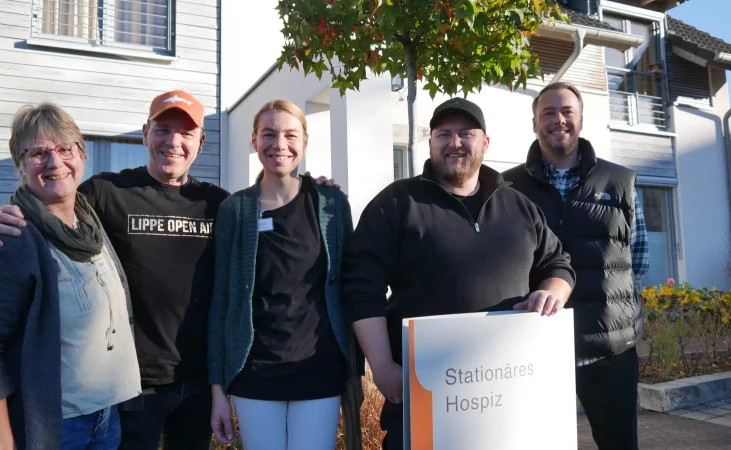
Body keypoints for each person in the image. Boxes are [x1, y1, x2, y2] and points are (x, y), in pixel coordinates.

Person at [0, 91, 341, 449]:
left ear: (201, 141)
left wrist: (315, 187)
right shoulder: (106, 192)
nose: (174, 142)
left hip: (197, 381)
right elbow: (53, 201)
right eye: (163, 130)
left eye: (186, 133)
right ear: (145, 133)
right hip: (132, 387)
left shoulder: (219, 205)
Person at [342, 97, 576, 450]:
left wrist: (552, 292)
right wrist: (383, 366)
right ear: (431, 142)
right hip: (425, 400)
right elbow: (361, 286)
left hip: (509, 400)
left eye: (465, 133)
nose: (454, 143)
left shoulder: (519, 206)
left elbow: (558, 264)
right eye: (443, 134)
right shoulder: (397, 204)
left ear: (485, 142)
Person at [0, 103, 140, 450]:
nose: (55, 162)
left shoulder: (91, 224)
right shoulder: (12, 237)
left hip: (104, 419)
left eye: (65, 148)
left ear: (82, 155)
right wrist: (1, 445)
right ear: (20, 166)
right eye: (38, 153)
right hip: (52, 429)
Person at [208, 100, 362, 450]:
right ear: (254, 140)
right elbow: (221, 302)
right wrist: (217, 386)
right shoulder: (234, 210)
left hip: (319, 370)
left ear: (304, 142)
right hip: (255, 372)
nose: (280, 144)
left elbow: (351, 287)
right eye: (269, 134)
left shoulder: (331, 204)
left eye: (291, 135)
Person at [502, 81, 649, 450]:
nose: (558, 120)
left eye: (567, 112)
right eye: (548, 113)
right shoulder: (507, 188)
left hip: (609, 351)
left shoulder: (621, 183)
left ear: (581, 120)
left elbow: (638, 260)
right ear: (534, 123)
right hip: (534, 350)